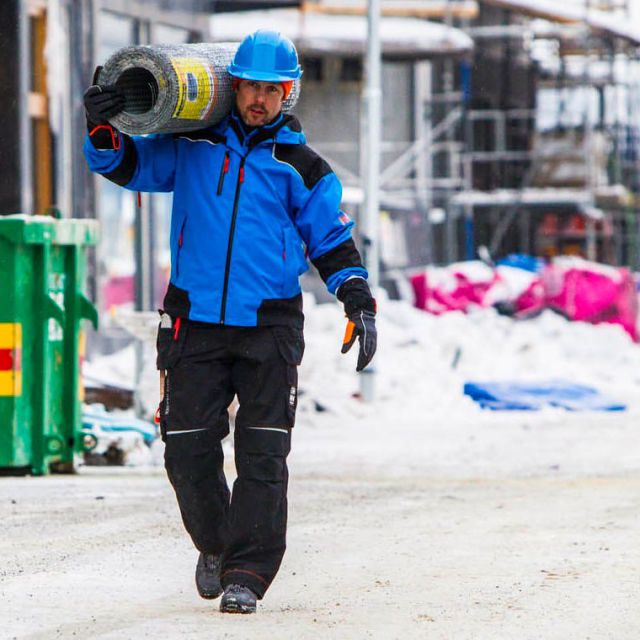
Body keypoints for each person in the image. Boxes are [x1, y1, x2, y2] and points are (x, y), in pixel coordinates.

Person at [83, 30, 377, 614]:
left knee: (262, 454)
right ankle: (217, 545)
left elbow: (332, 239)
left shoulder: (301, 166)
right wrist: (103, 123)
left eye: (272, 89)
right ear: (234, 86)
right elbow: (127, 163)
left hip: (269, 326)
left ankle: (247, 571)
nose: (259, 100)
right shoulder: (192, 144)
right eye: (250, 88)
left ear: (288, 93)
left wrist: (358, 300)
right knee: (186, 449)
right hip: (194, 321)